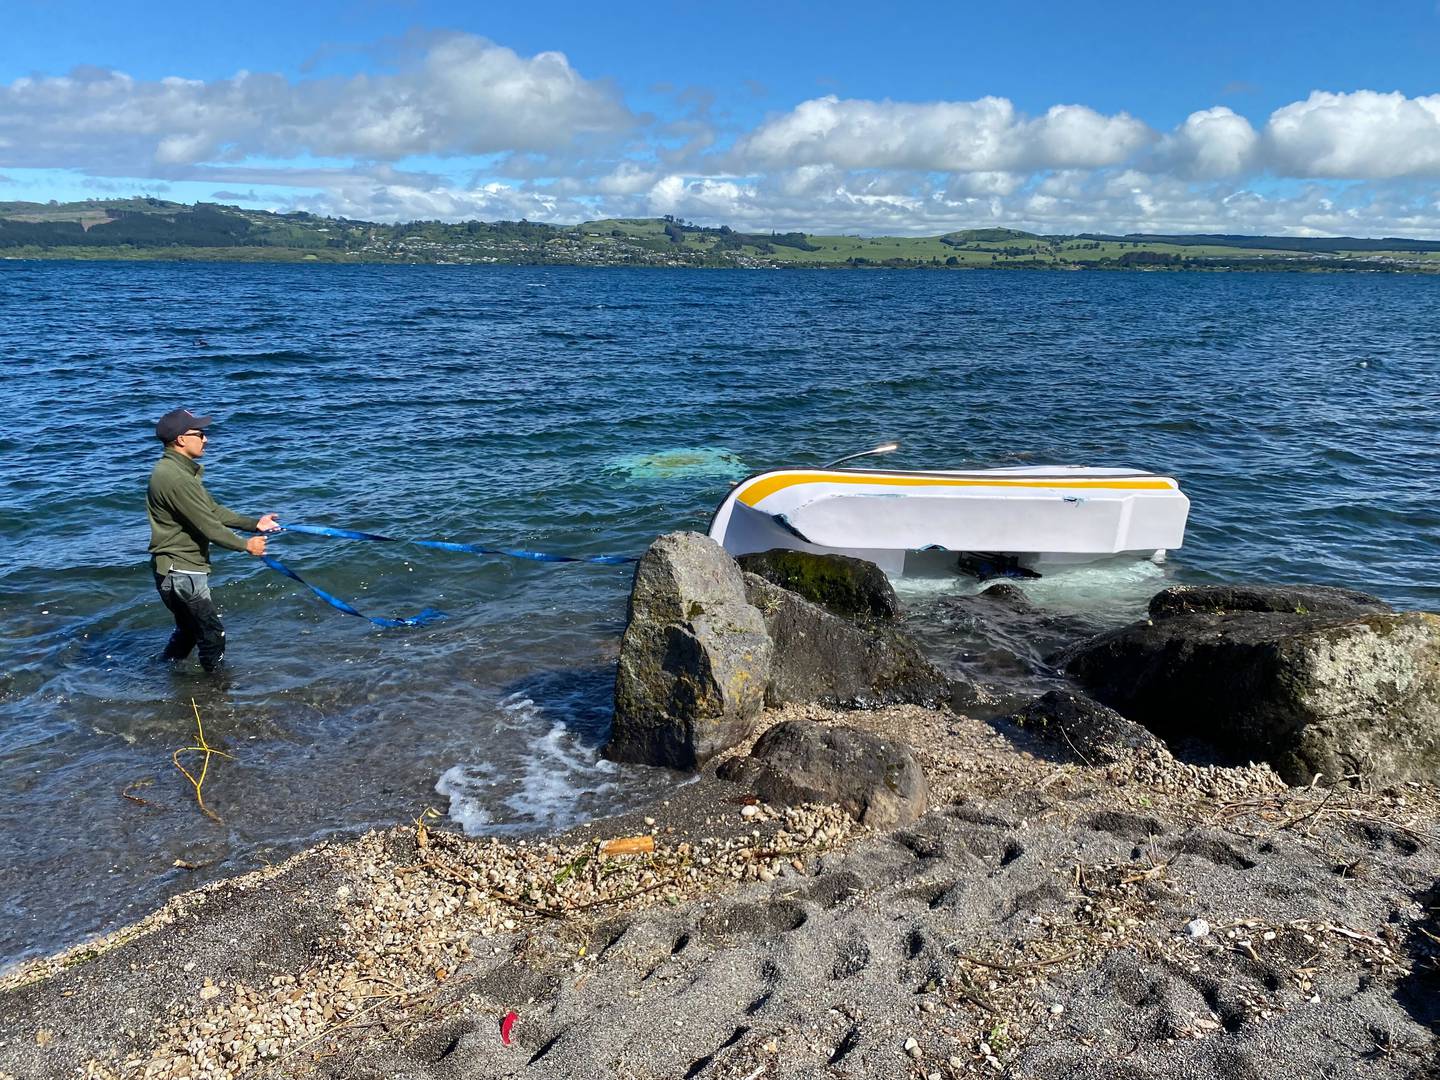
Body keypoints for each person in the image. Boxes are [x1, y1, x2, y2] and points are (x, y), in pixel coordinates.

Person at [146, 408, 279, 671]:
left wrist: (254, 524)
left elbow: (212, 510)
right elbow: (208, 525)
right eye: (200, 434)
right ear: (182, 439)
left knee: (189, 632)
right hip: (181, 572)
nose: (206, 439)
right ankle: (215, 697)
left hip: (173, 571)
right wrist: (245, 546)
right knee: (212, 637)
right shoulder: (175, 478)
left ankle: (167, 678)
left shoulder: (177, 472)